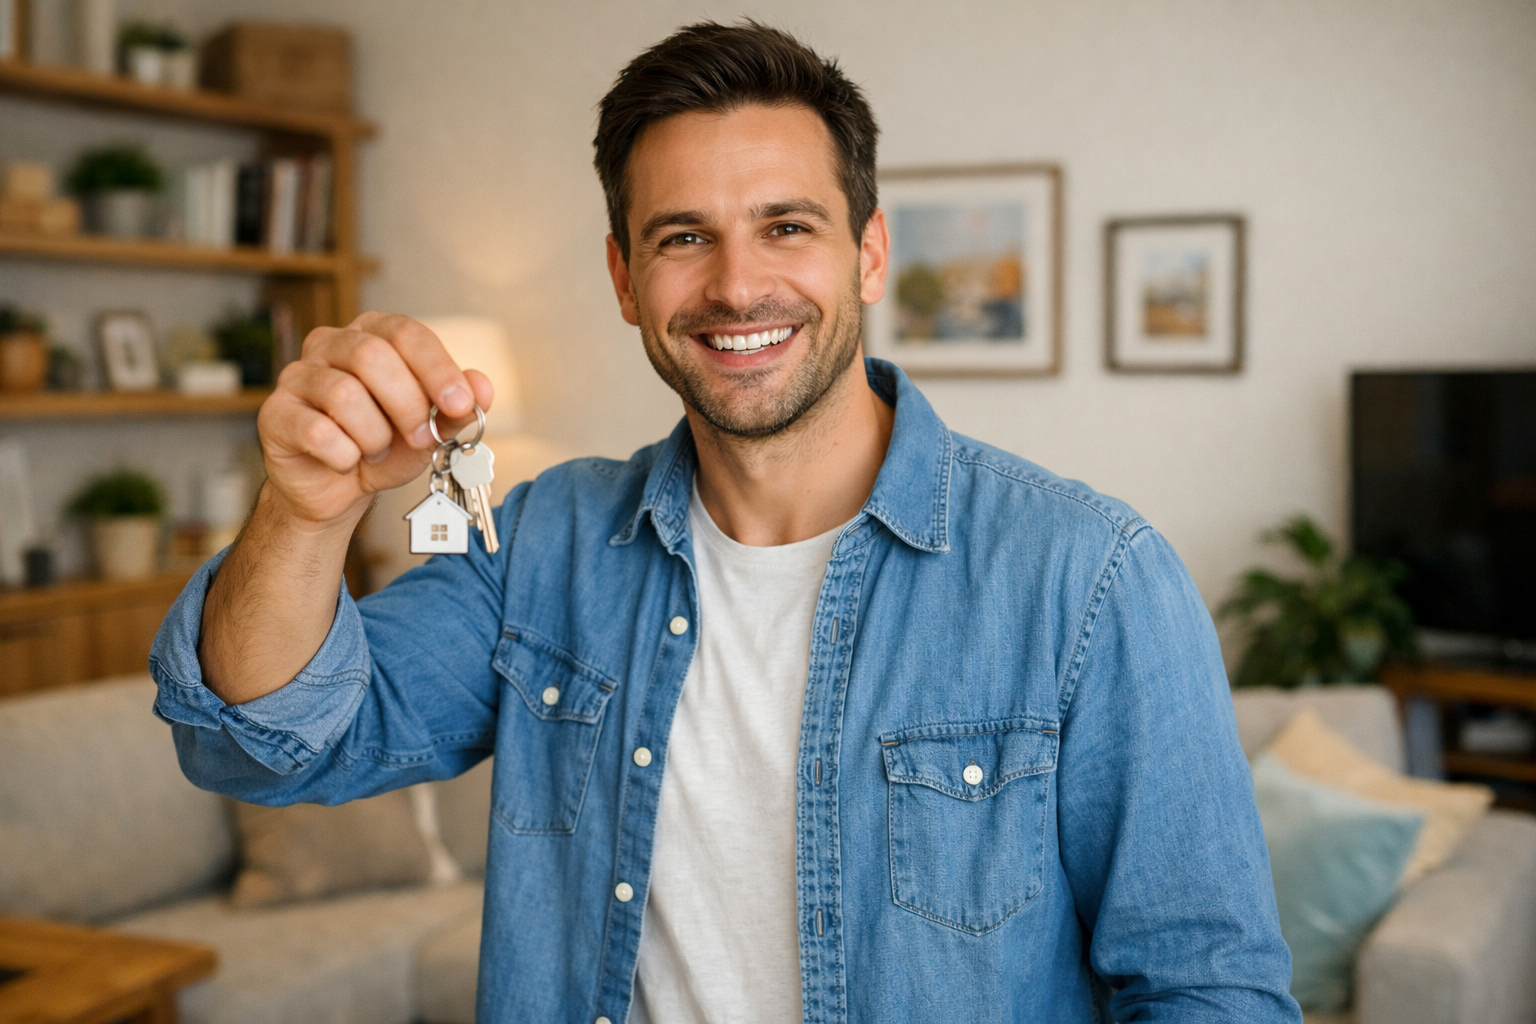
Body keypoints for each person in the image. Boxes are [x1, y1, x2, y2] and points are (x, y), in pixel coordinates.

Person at [151, 20, 1301, 1024]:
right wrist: (306, 509)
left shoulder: (1091, 576)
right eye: (683, 235)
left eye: (787, 226)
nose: (737, 286)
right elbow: (268, 742)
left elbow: (1209, 990)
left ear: (870, 253)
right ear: (623, 276)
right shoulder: (544, 542)